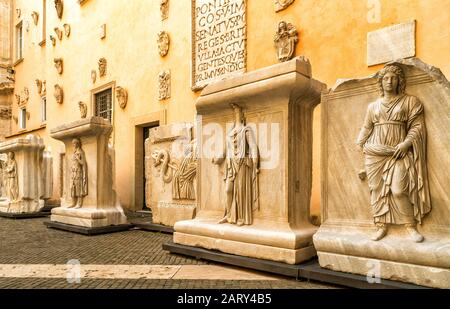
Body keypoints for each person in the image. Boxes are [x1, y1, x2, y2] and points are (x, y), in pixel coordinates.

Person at [356, 64, 431, 242]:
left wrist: (406, 144)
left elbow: (417, 127)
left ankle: (410, 226)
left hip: (399, 152)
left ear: (400, 81)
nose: (389, 81)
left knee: (398, 190)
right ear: (381, 82)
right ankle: (381, 226)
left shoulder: (410, 101)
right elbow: (367, 128)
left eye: (393, 78)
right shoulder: (373, 106)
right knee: (376, 189)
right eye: (386, 78)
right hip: (375, 152)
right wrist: (360, 143)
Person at [213, 103, 259, 226]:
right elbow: (224, 150)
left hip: (243, 164)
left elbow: (253, 146)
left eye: (238, 113)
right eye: (235, 113)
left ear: (243, 115)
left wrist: (255, 161)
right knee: (228, 190)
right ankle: (228, 215)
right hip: (231, 164)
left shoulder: (246, 130)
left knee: (240, 191)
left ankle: (241, 217)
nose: (237, 116)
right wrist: (217, 159)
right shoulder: (230, 133)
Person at [69, 138, 88, 209]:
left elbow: (83, 163)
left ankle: (79, 204)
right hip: (73, 172)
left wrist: (78, 158)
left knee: (78, 188)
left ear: (78, 144)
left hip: (78, 172)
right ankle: (73, 203)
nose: (73, 145)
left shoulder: (81, 152)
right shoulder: (74, 152)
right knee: (72, 187)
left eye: (74, 143)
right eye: (73, 143)